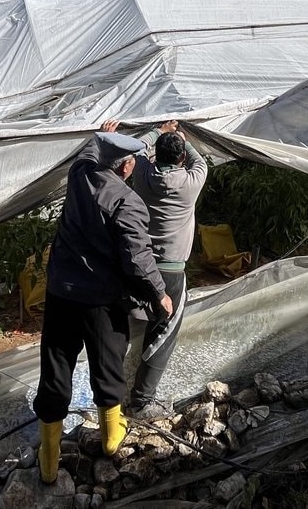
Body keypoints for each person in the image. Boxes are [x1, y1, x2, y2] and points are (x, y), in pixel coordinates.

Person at [31, 125, 173, 484]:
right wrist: (160, 293)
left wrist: (110, 136)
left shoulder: (79, 174)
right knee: (107, 361)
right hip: (100, 300)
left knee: (56, 364)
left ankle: (49, 457)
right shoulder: (127, 201)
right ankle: (112, 438)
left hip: (62, 292)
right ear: (127, 168)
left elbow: (92, 153)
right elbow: (137, 258)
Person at [129, 119, 208, 417]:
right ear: (181, 158)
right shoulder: (191, 181)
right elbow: (198, 158)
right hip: (171, 271)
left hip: (139, 265)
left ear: (156, 155)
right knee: (162, 333)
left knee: (127, 326)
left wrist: (160, 132)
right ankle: (141, 401)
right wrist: (182, 138)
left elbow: (137, 149)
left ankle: (113, 391)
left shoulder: (142, 174)